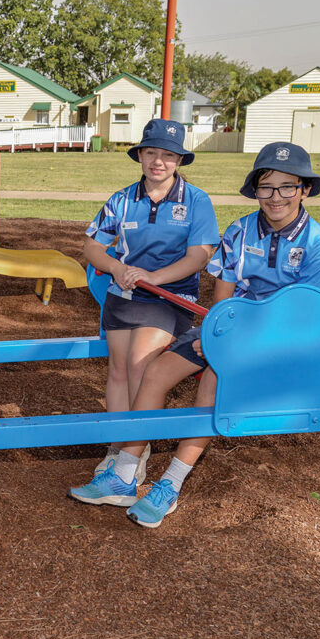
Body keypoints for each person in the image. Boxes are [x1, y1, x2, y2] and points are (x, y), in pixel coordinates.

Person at [114, 142, 320, 528]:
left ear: (304, 190)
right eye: (266, 187)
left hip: (279, 342)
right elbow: (224, 296)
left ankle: (169, 485)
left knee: (214, 380)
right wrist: (219, 333)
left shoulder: (319, 245)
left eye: (287, 187)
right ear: (256, 190)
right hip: (233, 329)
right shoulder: (241, 228)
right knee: (155, 373)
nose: (276, 197)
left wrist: (232, 344)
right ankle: (123, 473)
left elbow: (307, 318)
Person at [70, 119, 220, 503]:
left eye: (167, 155)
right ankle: (119, 450)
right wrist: (117, 268)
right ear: (140, 155)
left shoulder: (196, 201)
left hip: (169, 299)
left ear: (178, 160)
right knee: (118, 372)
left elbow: (199, 256)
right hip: (124, 296)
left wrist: (154, 277)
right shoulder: (122, 199)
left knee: (140, 364)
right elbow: (91, 246)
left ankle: (132, 461)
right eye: (151, 152)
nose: (158, 161)